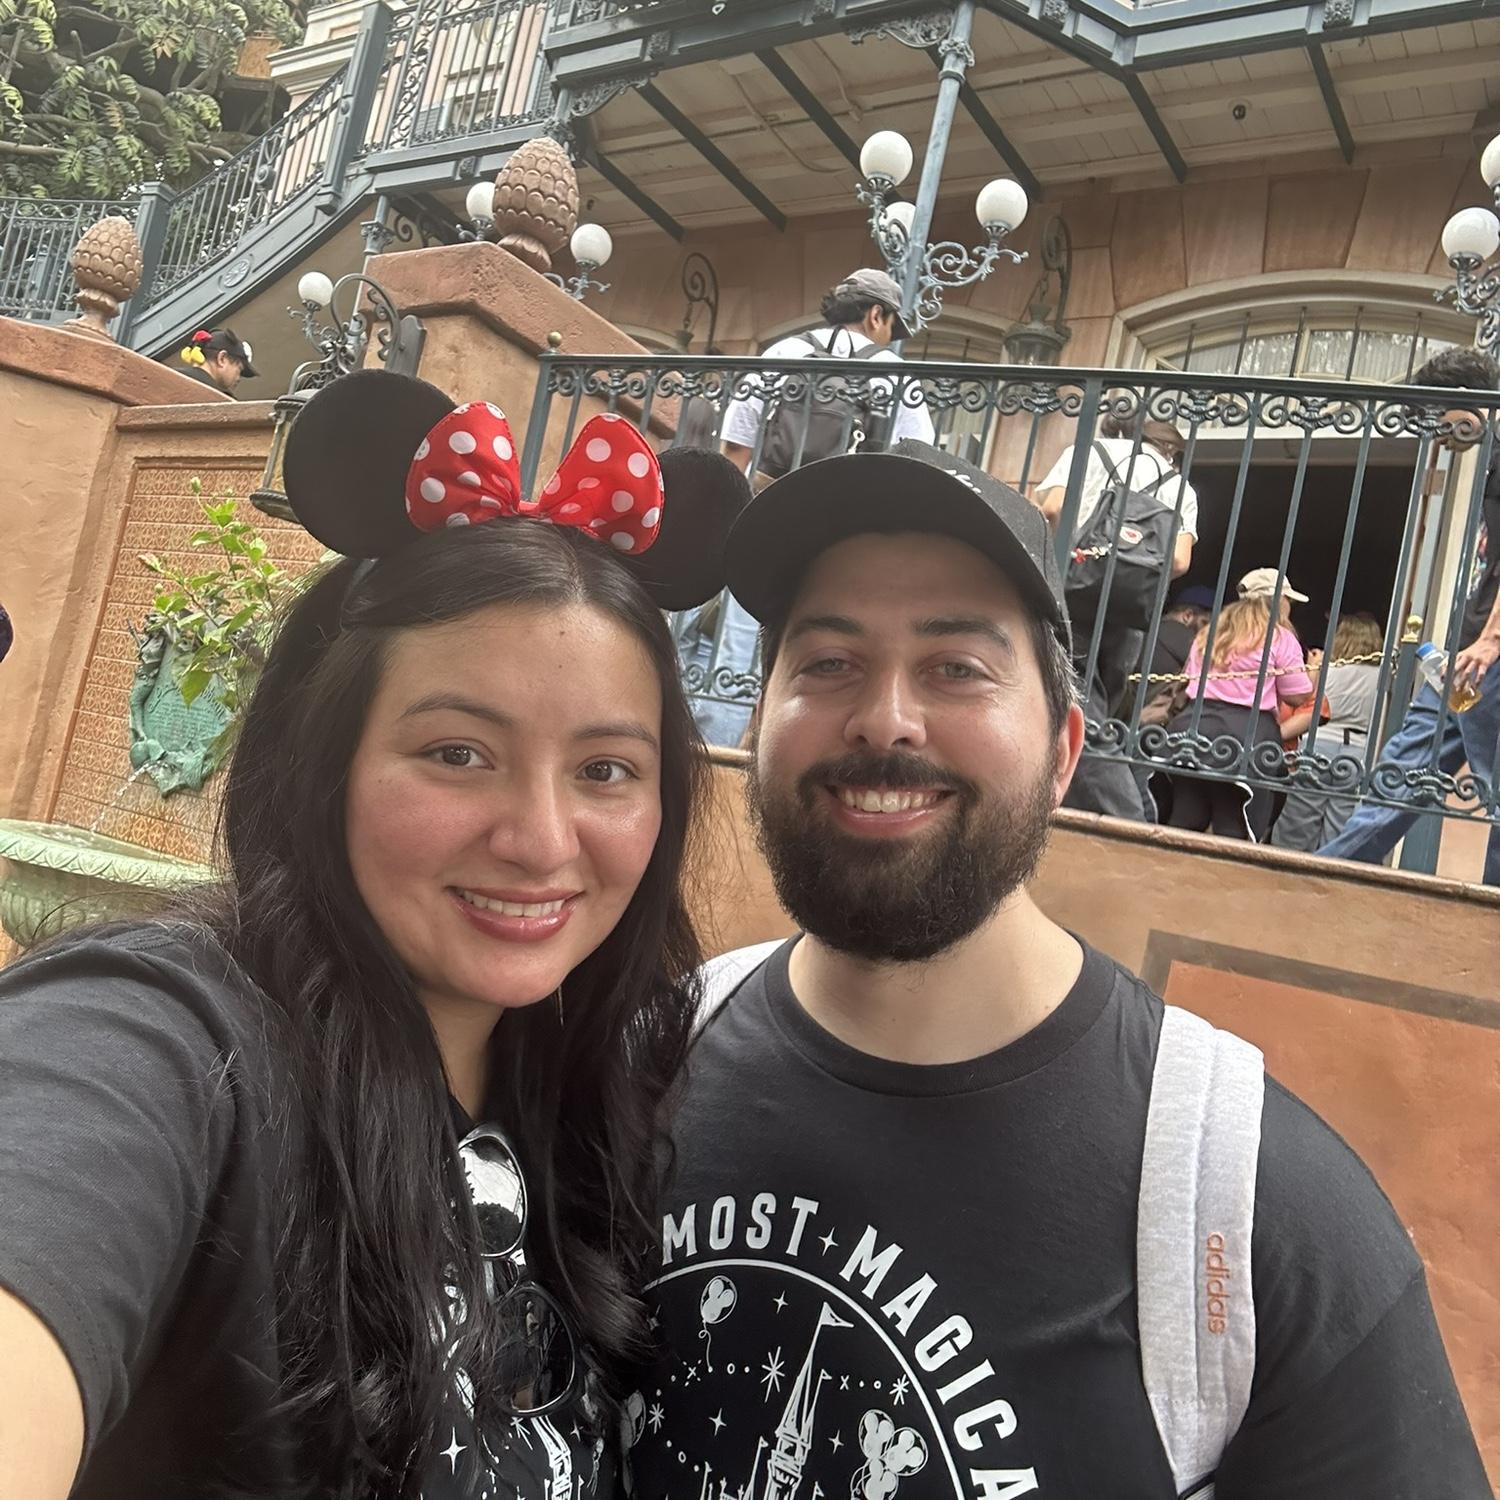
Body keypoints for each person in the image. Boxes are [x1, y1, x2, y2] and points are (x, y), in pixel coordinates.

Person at [626, 440, 1486, 1499]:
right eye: (828, 662)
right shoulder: (643, 1062)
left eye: (956, 668)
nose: (885, 716)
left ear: (1065, 751)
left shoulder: (1259, 1210)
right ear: (760, 726)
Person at [0, 369, 747, 1498]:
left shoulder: (597, 1100)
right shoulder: (165, 1046)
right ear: (326, 759)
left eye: (605, 770)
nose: (541, 842)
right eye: (458, 753)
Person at [682, 270, 937, 750]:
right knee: (822, 652)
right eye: (891, 325)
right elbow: (917, 462)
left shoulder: (783, 352)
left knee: (735, 652)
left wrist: (729, 528)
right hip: (844, 537)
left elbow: (736, 448)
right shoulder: (891, 371)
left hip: (768, 517)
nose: (889, 337)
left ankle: (714, 758)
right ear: (876, 315)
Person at [1320, 348, 1500, 884]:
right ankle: (1327, 876)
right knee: (1404, 768)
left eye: (1436, 416)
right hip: (1468, 650)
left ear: (1465, 402)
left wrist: (1492, 640)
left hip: (1487, 653)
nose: (1435, 432)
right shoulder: (1488, 459)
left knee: (1488, 785)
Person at [1034, 415, 1199, 822]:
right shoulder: (1178, 485)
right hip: (1128, 613)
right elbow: (1179, 560)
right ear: (1170, 449)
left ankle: (1126, 817)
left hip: (1071, 592)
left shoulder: (1087, 452)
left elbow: (1052, 507)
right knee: (1095, 711)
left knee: (1077, 712)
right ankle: (1077, 805)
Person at [1165, 569, 1314, 842]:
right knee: (1233, 824)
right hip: (1246, 734)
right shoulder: (1279, 637)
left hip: (1195, 725)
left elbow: (1189, 680)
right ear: (1278, 600)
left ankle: (1164, 867)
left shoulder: (1213, 631)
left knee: (1187, 816)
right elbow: (1298, 695)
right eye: (1288, 600)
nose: (1289, 606)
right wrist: (1313, 671)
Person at [1272, 612, 1384, 852]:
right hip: (1358, 749)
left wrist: (1313, 668)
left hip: (1319, 741)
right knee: (1341, 822)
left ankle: (1287, 865)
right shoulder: (1383, 677)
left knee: (1299, 816)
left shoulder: (1327, 669)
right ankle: (1330, 864)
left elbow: (1304, 701)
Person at [177, 326, 259, 396]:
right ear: (222, 358)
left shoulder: (172, 378)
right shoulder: (222, 400)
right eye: (239, 369)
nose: (238, 378)